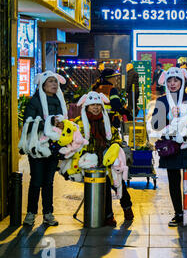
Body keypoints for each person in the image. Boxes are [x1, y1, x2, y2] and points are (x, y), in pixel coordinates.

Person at [150, 67, 187, 227]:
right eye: (169, 81)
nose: (173, 84)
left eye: (176, 80)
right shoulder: (162, 101)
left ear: (182, 81)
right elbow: (155, 125)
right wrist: (168, 117)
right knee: (173, 180)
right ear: (165, 82)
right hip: (171, 147)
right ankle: (178, 213)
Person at [75, 91, 134, 226]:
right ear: (86, 107)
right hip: (91, 163)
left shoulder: (106, 119)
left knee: (119, 185)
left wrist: (114, 147)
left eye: (98, 105)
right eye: (92, 105)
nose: (95, 108)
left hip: (108, 160)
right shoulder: (79, 122)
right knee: (105, 187)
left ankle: (127, 207)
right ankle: (108, 216)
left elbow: (116, 138)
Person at [23, 71, 69, 226]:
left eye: (55, 82)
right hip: (37, 147)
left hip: (53, 147)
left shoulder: (60, 101)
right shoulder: (34, 102)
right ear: (42, 85)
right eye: (50, 81)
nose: (54, 85)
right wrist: (50, 124)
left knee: (49, 182)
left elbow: (63, 122)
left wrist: (63, 125)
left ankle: (48, 213)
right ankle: (31, 214)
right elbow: (29, 123)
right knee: (36, 180)